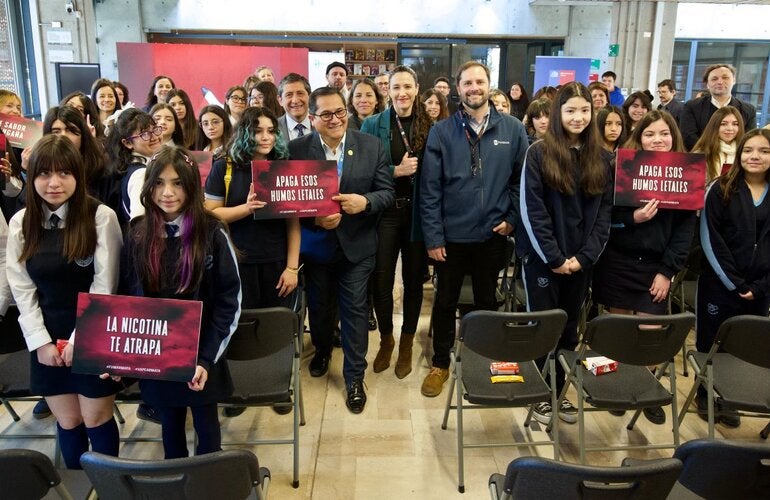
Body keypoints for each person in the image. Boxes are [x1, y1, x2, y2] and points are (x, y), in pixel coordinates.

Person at [6, 135, 123, 469]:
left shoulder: (100, 216)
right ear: (32, 176)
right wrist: (41, 342)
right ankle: (76, 480)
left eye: (63, 173)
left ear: (78, 174)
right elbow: (22, 290)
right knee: (69, 419)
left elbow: (105, 286)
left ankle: (107, 483)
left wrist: (79, 340)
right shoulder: (21, 222)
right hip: (45, 336)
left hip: (94, 330)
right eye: (44, 174)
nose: (54, 183)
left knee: (96, 416)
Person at [120, 146, 240, 458]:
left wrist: (205, 359)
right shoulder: (137, 235)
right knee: (169, 423)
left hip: (202, 353)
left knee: (206, 427)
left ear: (191, 186)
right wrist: (119, 355)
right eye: (158, 183)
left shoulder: (212, 232)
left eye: (177, 183)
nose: (168, 193)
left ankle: (208, 483)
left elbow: (230, 300)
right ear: (148, 188)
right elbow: (128, 299)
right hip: (157, 356)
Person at [419, 61, 528, 398]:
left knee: (485, 301)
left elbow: (520, 181)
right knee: (445, 301)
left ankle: (483, 358)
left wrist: (511, 218)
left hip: (491, 235)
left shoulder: (512, 129)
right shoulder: (441, 131)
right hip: (451, 237)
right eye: (467, 83)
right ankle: (440, 362)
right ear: (458, 88)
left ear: (488, 84)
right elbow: (430, 189)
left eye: (479, 81)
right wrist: (434, 236)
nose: (474, 88)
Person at [289, 87, 394, 414]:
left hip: (358, 247)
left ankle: (353, 376)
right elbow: (288, 202)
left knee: (355, 311)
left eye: (339, 112)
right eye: (326, 114)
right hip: (317, 247)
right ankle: (321, 350)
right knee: (320, 309)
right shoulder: (296, 150)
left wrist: (365, 202)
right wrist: (315, 220)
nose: (335, 119)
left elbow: (386, 193)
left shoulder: (371, 145)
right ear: (312, 117)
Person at [517, 82, 614, 425]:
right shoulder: (539, 153)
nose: (578, 117)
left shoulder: (604, 158)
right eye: (571, 110)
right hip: (545, 259)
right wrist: (555, 258)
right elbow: (533, 211)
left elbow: (604, 215)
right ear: (558, 113)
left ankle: (558, 394)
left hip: (580, 261)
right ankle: (539, 395)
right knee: (544, 327)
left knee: (571, 329)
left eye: (585, 110)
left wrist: (582, 258)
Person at [592, 110, 697, 425]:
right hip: (618, 262)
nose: (658, 139)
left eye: (664, 133)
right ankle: (617, 384)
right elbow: (603, 217)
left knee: (651, 333)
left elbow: (684, 234)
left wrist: (667, 271)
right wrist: (632, 218)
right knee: (617, 331)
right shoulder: (621, 168)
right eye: (650, 133)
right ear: (639, 137)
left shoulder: (686, 173)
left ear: (673, 136)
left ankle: (644, 383)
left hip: (655, 267)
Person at [361, 65, 432, 379]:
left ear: (417, 88)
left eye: (407, 86)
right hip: (386, 211)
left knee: (415, 281)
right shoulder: (372, 124)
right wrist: (395, 171)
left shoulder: (432, 125)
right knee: (382, 280)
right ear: (386, 91)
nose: (402, 93)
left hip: (418, 213)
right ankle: (387, 338)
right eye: (395, 87)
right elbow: (360, 171)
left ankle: (406, 341)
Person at [696, 128, 770, 428]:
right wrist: (735, 283)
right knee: (713, 343)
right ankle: (706, 394)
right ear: (739, 154)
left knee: (745, 345)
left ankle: (730, 397)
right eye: (748, 150)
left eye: (763, 151)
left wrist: (760, 286)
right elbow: (710, 238)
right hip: (720, 284)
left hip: (762, 287)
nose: (755, 156)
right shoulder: (720, 187)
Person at [681, 64, 757, 150]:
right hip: (701, 158)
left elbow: (749, 139)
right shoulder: (692, 106)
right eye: (714, 79)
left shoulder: (748, 110)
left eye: (725, 78)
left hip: (735, 159)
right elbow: (688, 137)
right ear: (707, 84)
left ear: (734, 80)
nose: (720, 82)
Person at [106, 108, 163, 224]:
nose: (154, 137)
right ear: (127, 143)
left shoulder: (127, 167)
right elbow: (140, 223)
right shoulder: (140, 174)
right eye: (145, 134)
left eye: (155, 130)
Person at [691, 106, 745, 183]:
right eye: (723, 124)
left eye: (735, 124)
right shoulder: (700, 154)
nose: (730, 128)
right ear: (714, 127)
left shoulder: (744, 153)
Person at [277, 73, 312, 141]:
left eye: (300, 93)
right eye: (289, 95)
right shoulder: (273, 128)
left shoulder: (322, 124)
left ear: (310, 97)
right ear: (280, 100)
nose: (295, 100)